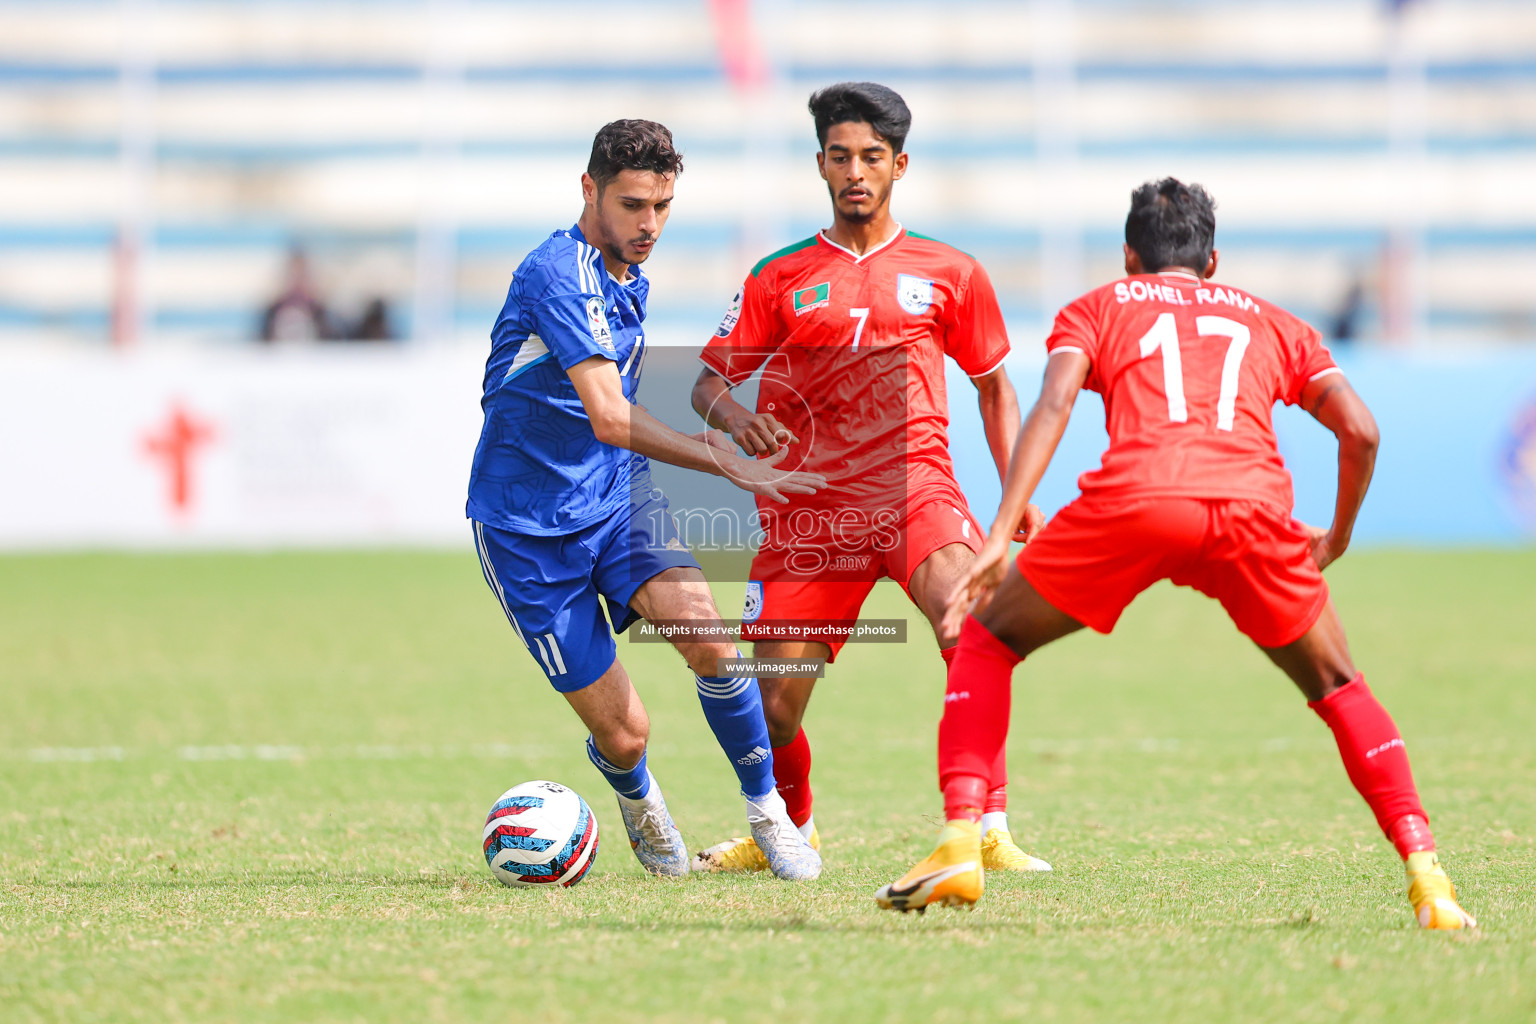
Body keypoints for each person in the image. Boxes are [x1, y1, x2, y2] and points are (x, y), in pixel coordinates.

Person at [874, 178, 1477, 931]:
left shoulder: (1097, 308)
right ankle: (1430, 881)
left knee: (987, 640)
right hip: (1251, 513)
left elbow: (1055, 403)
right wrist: (1336, 535)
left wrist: (998, 535)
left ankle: (962, 838)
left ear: (1129, 257)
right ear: (1213, 261)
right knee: (1341, 689)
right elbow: (1362, 430)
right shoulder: (1274, 322)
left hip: (1137, 502)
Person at [688, 83, 1050, 874]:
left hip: (916, 488)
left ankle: (987, 822)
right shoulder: (777, 276)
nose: (857, 171)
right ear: (820, 163)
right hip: (810, 510)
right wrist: (737, 421)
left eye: (873, 157)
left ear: (900, 165)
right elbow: (707, 383)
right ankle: (791, 827)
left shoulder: (950, 271)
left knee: (970, 625)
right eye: (842, 156)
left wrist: (1013, 497)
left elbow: (995, 385)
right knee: (773, 705)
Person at [468, 119, 825, 882]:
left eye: (663, 206)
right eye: (633, 205)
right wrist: (719, 459)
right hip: (527, 527)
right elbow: (608, 413)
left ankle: (770, 817)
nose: (650, 225)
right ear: (589, 189)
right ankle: (637, 798)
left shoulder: (629, 269)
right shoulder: (557, 274)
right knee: (627, 734)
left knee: (710, 640)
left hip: (616, 497)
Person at [259, 248, 334, 342]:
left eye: (302, 275)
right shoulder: (272, 312)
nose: (297, 282)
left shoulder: (321, 313)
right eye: (294, 275)